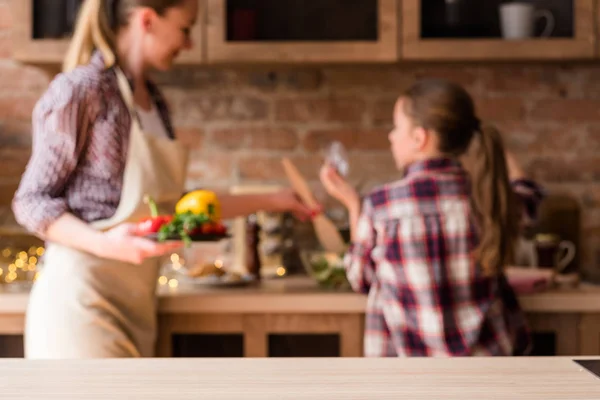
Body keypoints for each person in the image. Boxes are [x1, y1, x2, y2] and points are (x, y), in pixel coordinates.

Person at [12, 0, 312, 359]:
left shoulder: (155, 102)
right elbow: (31, 202)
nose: (188, 44)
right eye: (185, 29)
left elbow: (175, 207)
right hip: (79, 303)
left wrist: (275, 200)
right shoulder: (81, 90)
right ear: (148, 20)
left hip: (137, 307)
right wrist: (106, 243)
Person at [320, 79, 544, 357]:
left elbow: (360, 277)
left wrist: (354, 205)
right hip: (488, 374)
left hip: (411, 382)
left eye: (396, 127)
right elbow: (529, 195)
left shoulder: (382, 205)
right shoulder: (489, 198)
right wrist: (494, 147)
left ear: (419, 138)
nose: (390, 136)